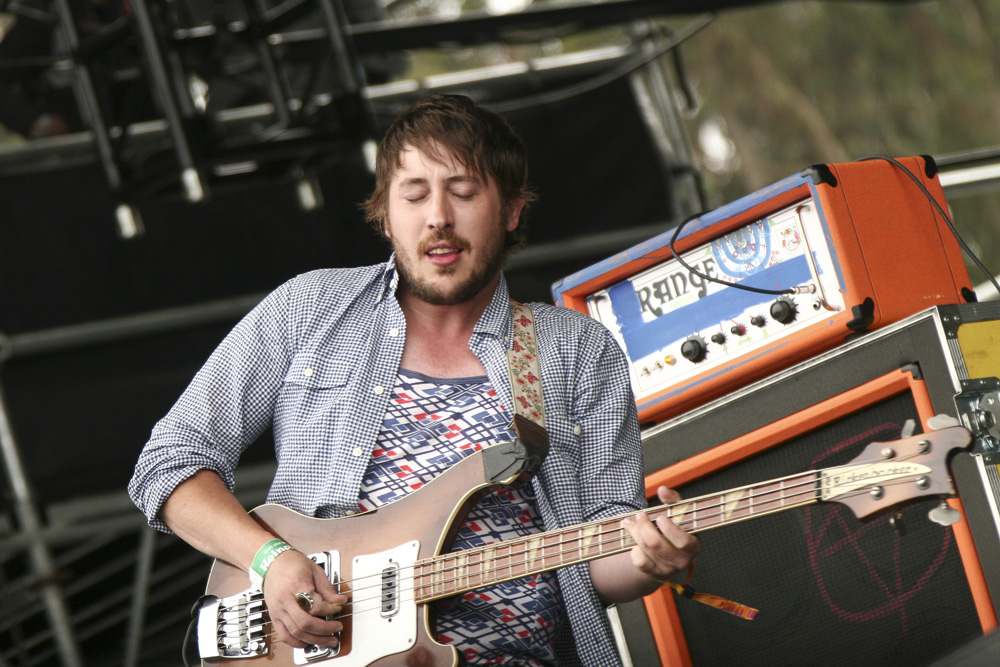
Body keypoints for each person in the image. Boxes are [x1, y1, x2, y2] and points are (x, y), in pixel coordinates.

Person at [129, 93, 700, 666]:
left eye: (464, 191)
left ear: (511, 211)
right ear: (385, 213)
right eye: (415, 193)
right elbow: (168, 463)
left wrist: (649, 561)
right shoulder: (308, 310)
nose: (438, 217)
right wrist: (269, 559)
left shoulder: (576, 349)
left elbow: (600, 555)